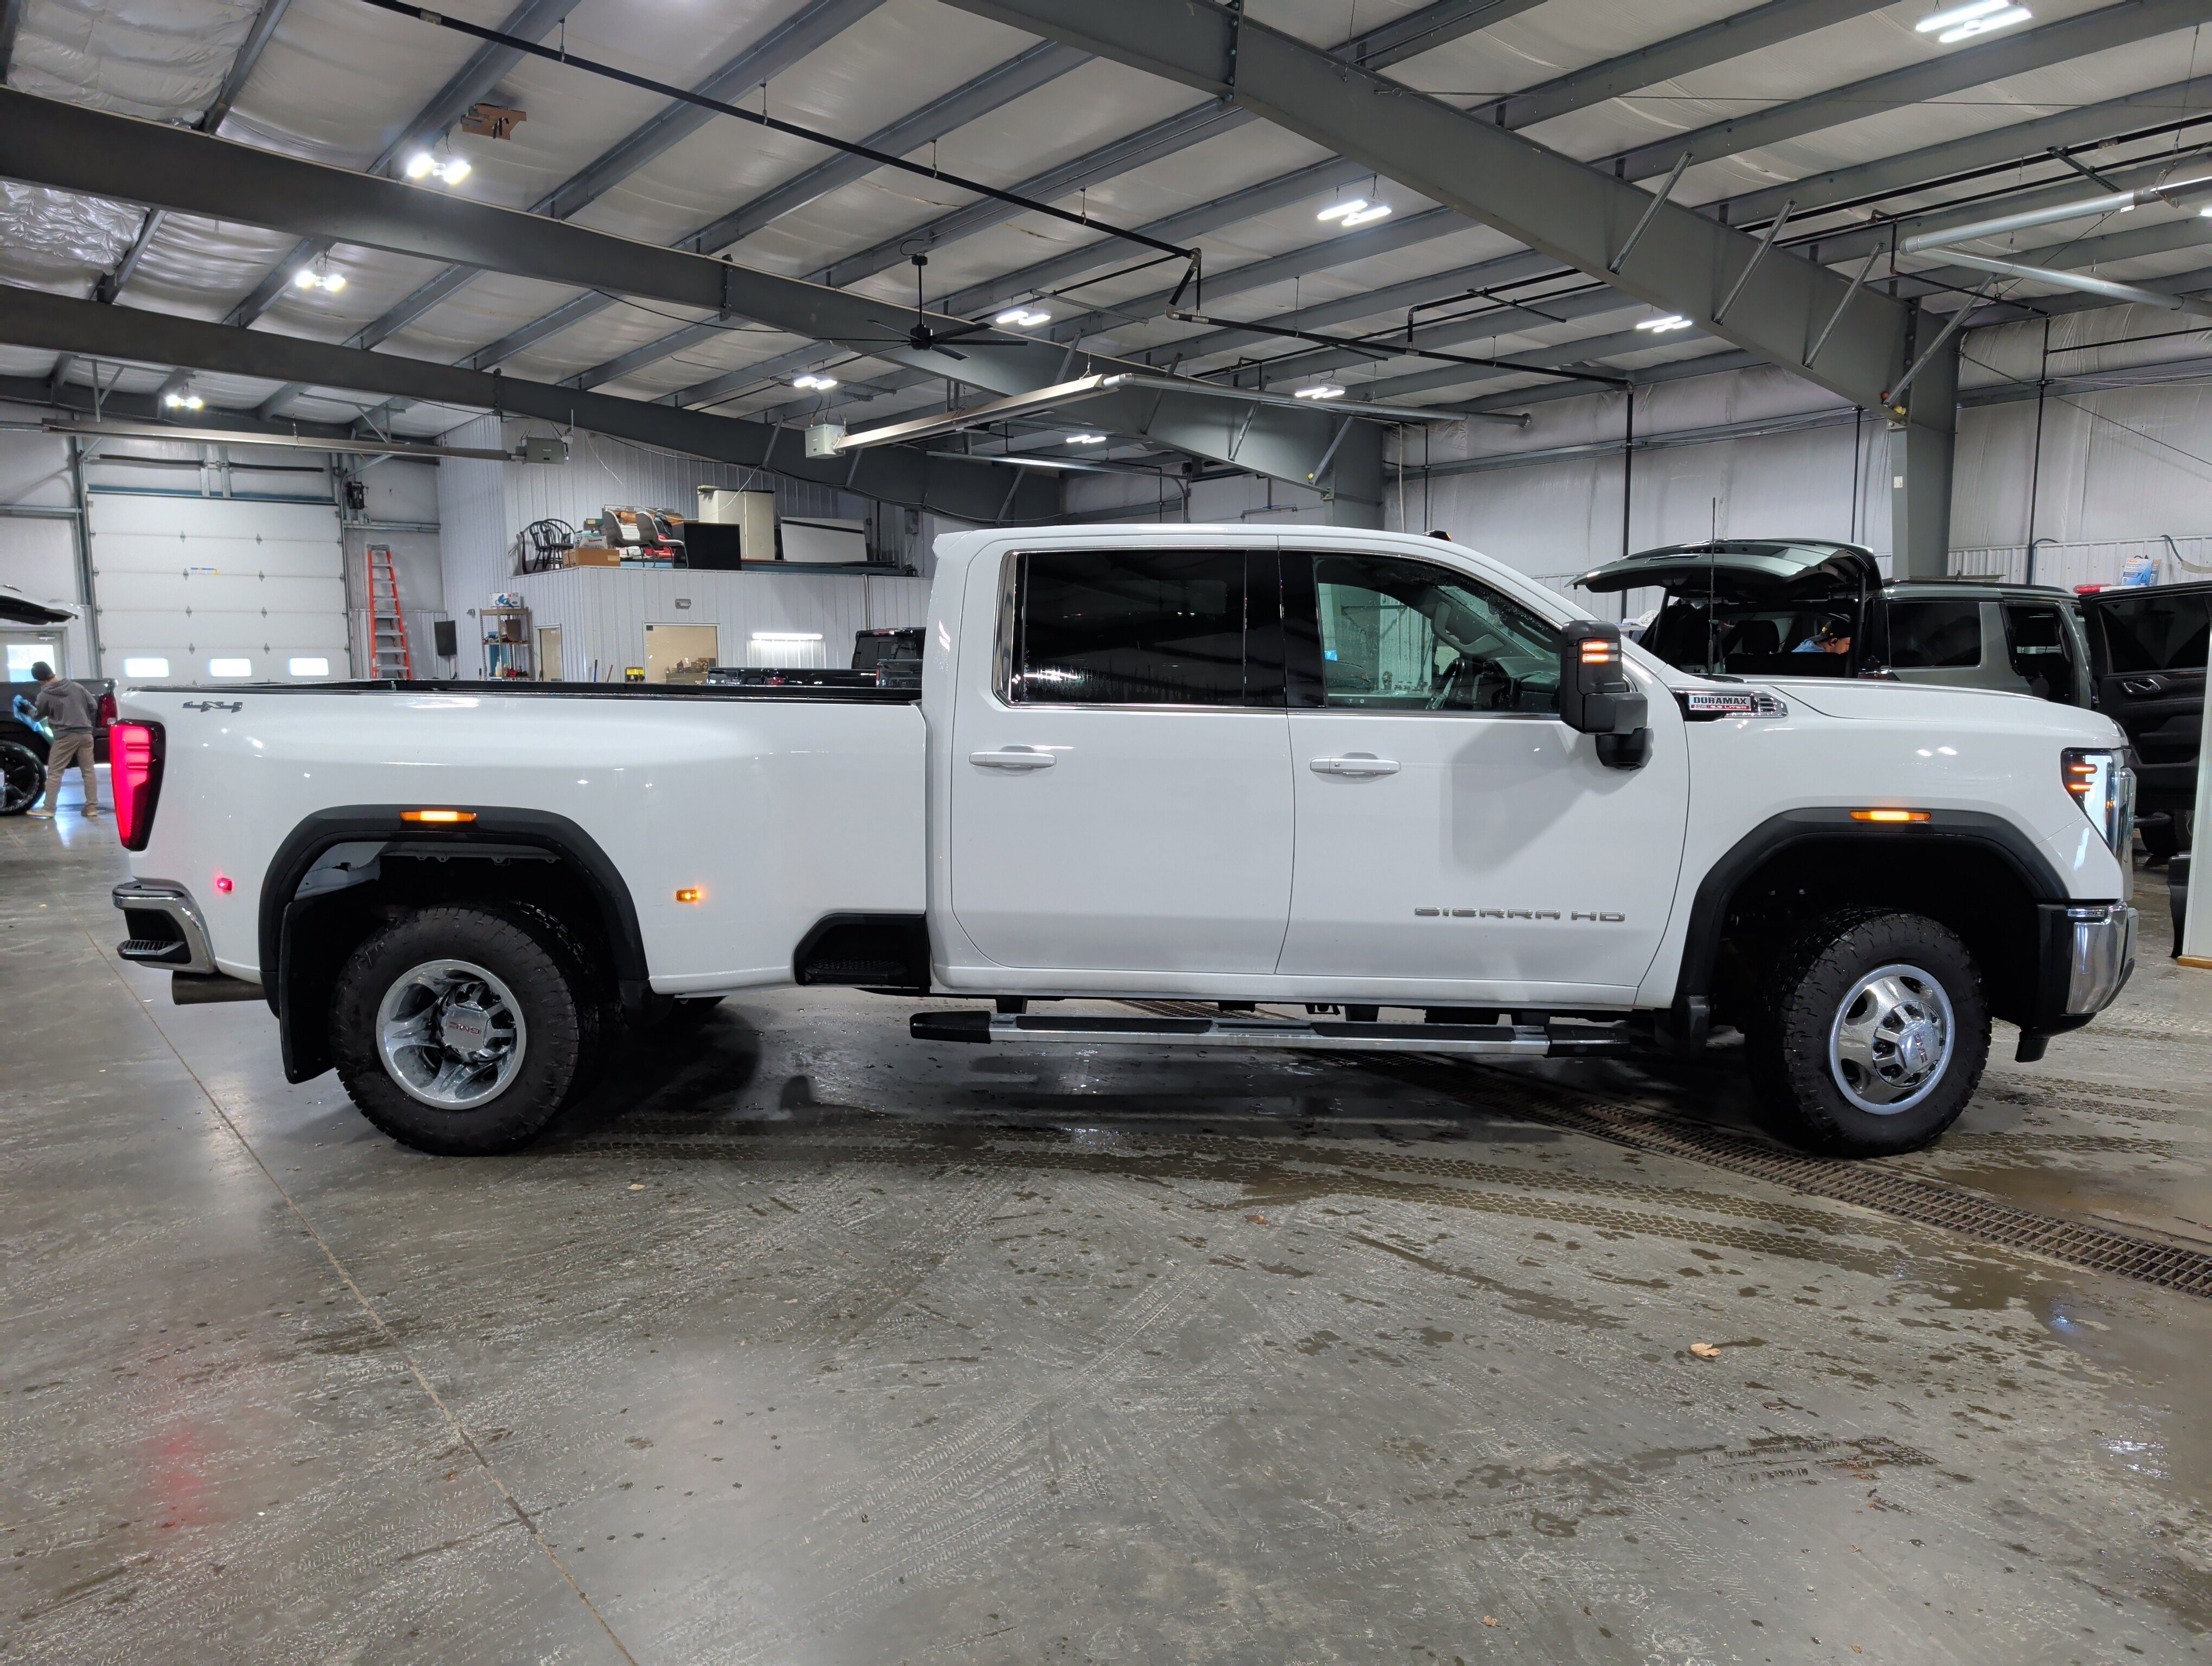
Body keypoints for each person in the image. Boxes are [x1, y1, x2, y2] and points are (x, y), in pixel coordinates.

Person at [25, 662, 99, 820]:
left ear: (39, 680)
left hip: (65, 736)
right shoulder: (76, 687)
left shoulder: (45, 693)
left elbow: (38, 716)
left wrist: (27, 710)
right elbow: (93, 706)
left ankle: (49, 809)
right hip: (86, 734)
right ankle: (92, 808)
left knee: (55, 773)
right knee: (88, 771)